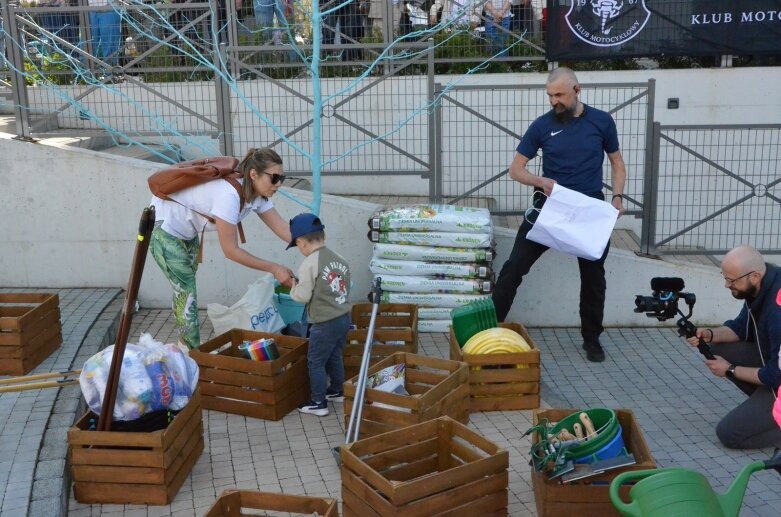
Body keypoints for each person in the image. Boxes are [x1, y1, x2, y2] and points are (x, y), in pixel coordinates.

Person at [491, 67, 627, 363]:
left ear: (577, 91)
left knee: (593, 277)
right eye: (550, 95)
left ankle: (592, 340)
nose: (554, 101)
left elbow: (617, 163)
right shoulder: (542, 126)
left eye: (560, 95)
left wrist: (617, 197)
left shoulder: (602, 122)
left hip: (589, 211)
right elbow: (516, 169)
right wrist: (541, 182)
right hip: (548, 207)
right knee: (513, 268)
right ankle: (489, 331)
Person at [150, 148, 295, 350]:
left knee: (184, 290)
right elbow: (231, 251)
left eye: (283, 177)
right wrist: (274, 268)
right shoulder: (228, 195)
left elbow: (282, 228)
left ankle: (186, 347)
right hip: (164, 229)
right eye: (275, 178)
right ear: (254, 174)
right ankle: (194, 354)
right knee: (186, 292)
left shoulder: (256, 194)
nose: (279, 184)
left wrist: (315, 249)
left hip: (187, 232)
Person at [686, 245, 781, 449]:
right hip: (775, 369)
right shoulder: (762, 285)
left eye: (731, 280)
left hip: (777, 377)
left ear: (754, 276)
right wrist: (709, 334)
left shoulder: (778, 311)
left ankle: (772, 417)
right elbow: (740, 328)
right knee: (716, 346)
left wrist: (730, 369)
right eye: (725, 278)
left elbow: (775, 376)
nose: (726, 285)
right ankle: (763, 405)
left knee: (729, 434)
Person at [288, 213, 351, 417]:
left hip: (323, 323)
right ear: (323, 236)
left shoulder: (309, 263)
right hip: (343, 317)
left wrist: (293, 286)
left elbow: (302, 296)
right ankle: (337, 391)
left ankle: (318, 402)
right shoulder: (340, 258)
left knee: (315, 360)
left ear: (301, 242)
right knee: (334, 355)